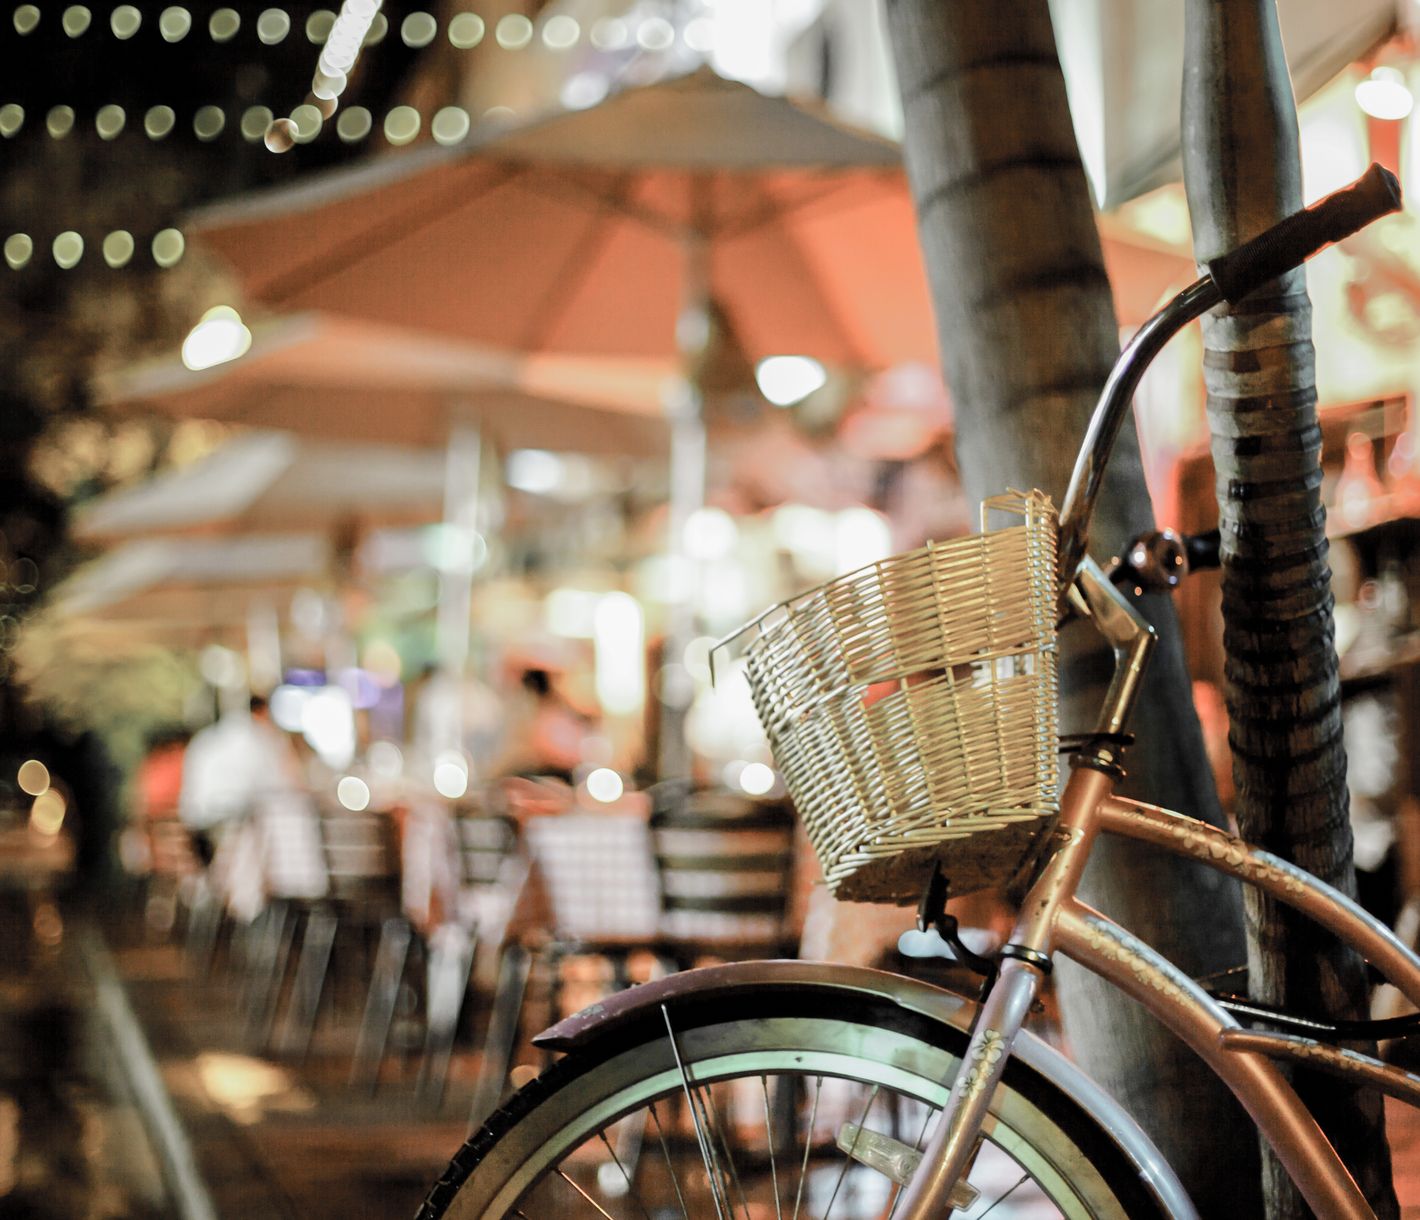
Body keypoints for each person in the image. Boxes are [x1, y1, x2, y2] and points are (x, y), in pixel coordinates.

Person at [177, 694, 304, 862]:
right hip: (233, 824)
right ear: (262, 712)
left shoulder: (207, 739)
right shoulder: (255, 740)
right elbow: (281, 785)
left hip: (200, 826)